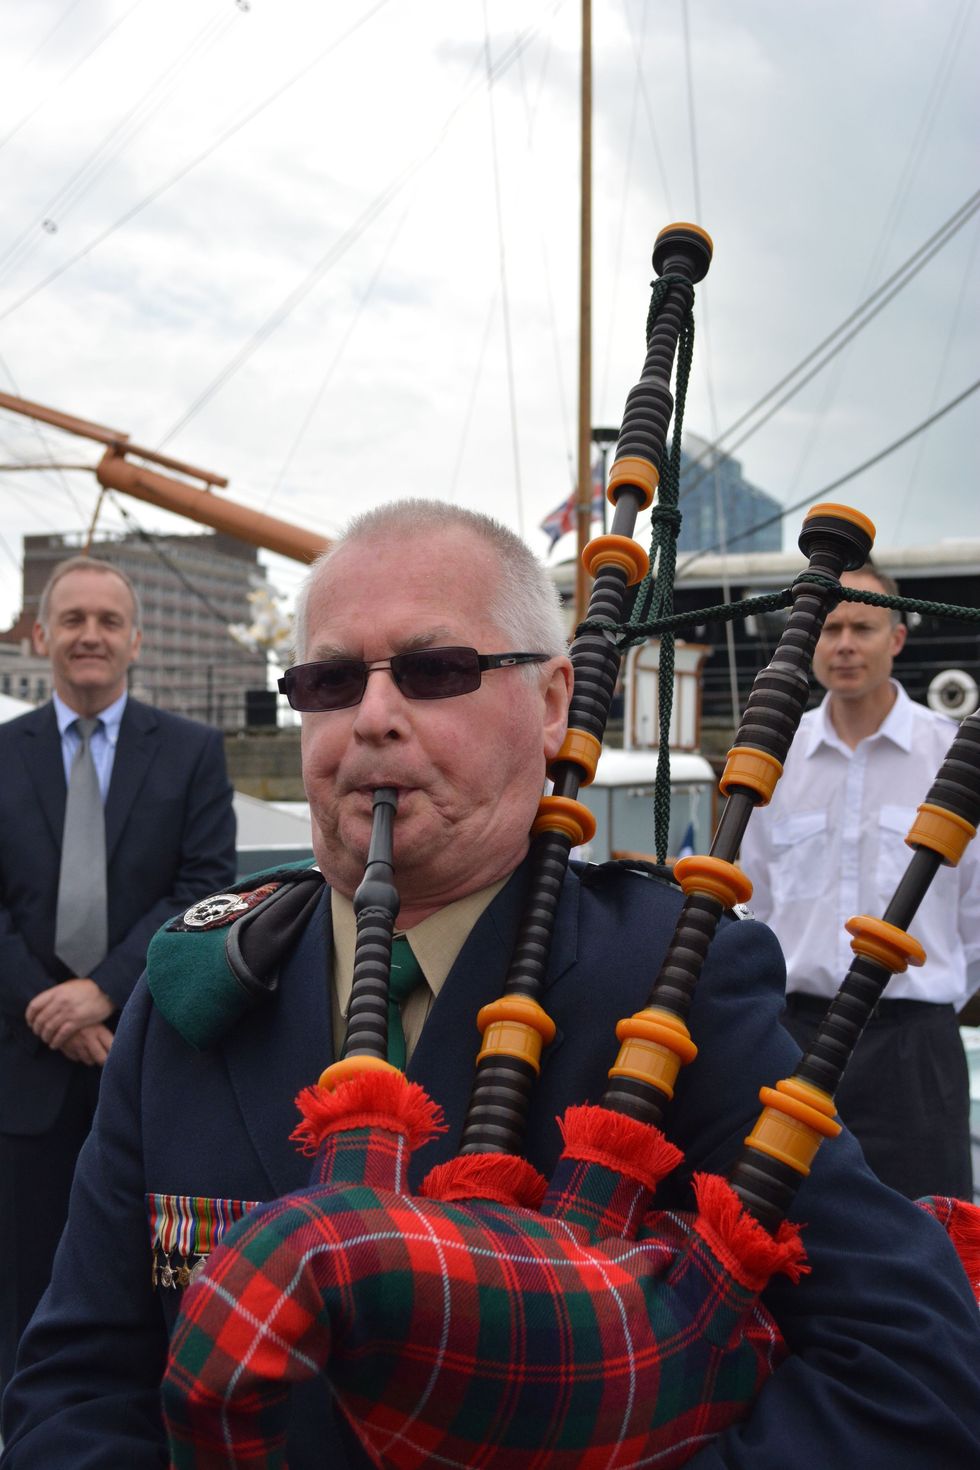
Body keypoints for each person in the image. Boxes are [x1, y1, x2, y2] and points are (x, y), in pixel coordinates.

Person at [3, 507, 979, 1469]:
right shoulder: (194, 990)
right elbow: (77, 1384)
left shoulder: (666, 981)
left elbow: (908, 1364)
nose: (374, 717)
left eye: (436, 673)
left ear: (553, 700)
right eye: (331, 681)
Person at [0, 556, 237, 1388]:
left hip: (146, 1057)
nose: (89, 635)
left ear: (134, 640)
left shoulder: (193, 754)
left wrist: (103, 991)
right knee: (22, 1280)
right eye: (71, 620)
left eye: (107, 620)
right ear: (41, 636)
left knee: (154, 1275)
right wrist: (50, 1004)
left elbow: (206, 889)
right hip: (20, 1070)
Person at [740, 563, 980, 1201]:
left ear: (897, 639)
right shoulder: (774, 762)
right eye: (830, 627)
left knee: (936, 1242)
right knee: (788, 1237)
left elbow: (977, 914)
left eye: (863, 628)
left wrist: (928, 1005)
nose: (844, 643)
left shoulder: (953, 759)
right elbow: (752, 905)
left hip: (914, 1051)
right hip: (794, 1039)